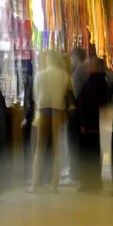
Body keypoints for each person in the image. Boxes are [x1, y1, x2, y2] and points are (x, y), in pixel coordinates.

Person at [29, 51, 71, 193]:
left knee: (39, 148)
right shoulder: (65, 76)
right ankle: (55, 185)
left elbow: (36, 96)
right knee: (57, 149)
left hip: (43, 110)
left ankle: (34, 185)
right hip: (58, 111)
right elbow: (68, 94)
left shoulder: (40, 75)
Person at [77, 57, 109, 192]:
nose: (86, 66)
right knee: (95, 153)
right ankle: (94, 181)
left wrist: (83, 122)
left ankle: (89, 182)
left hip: (90, 124)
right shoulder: (101, 80)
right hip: (97, 123)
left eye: (89, 64)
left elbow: (87, 104)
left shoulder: (93, 82)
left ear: (94, 66)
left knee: (88, 154)